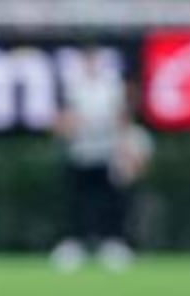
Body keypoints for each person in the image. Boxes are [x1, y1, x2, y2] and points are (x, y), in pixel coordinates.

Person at [50, 47, 134, 272]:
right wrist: (69, 126)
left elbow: (121, 118)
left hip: (105, 152)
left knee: (110, 200)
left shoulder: (111, 86)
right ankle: (75, 243)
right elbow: (61, 118)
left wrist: (123, 148)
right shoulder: (74, 87)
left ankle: (113, 243)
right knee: (78, 201)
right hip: (80, 152)